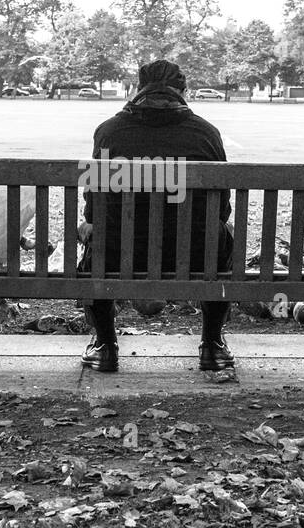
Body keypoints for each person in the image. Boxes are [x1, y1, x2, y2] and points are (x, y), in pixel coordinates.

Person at [79, 59, 234, 373]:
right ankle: (213, 345)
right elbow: (223, 208)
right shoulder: (206, 134)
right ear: (182, 90)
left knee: (93, 234)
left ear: (139, 88)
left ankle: (106, 345)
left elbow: (93, 209)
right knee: (224, 233)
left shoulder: (109, 132)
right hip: (196, 255)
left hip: (117, 255)